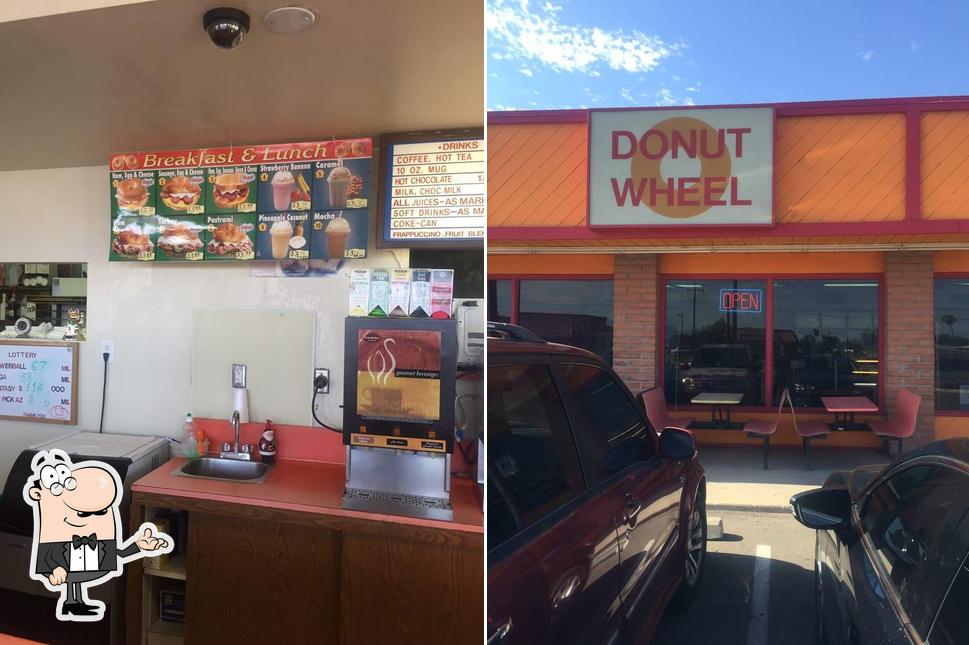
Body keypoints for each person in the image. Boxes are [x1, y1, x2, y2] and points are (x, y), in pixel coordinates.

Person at [23, 449, 172, 622]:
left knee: (76, 579)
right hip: (46, 603)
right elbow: (48, 557)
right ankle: (72, 603)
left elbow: (117, 555)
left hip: (87, 575)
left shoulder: (98, 541)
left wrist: (138, 546)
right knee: (73, 579)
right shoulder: (54, 540)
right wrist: (53, 570)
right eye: (83, 514)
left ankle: (74, 603)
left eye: (101, 512)